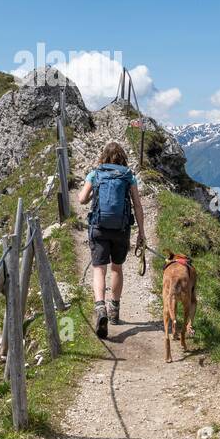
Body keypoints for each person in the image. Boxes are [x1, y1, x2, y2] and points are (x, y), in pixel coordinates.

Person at [79, 141, 145, 338]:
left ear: (104, 156)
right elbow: (138, 206)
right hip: (121, 229)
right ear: (122, 157)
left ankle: (100, 309)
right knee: (117, 267)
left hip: (99, 227)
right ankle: (114, 310)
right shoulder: (128, 176)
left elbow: (82, 199)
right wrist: (141, 232)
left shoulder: (95, 174)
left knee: (99, 269)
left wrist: (94, 195)